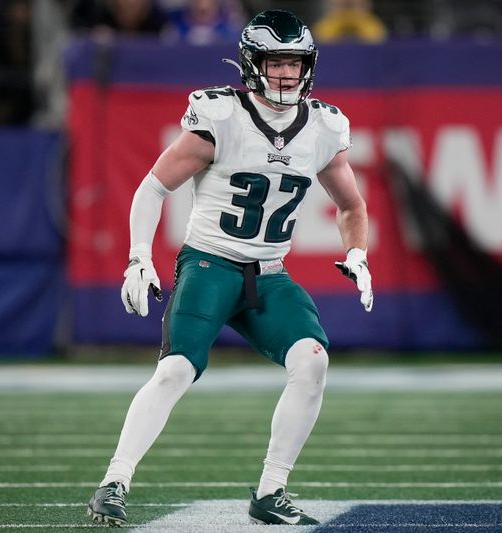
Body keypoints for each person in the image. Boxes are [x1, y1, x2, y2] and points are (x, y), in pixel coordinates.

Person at [86, 9, 372, 527]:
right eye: (276, 62)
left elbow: (351, 204)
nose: (286, 74)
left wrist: (357, 253)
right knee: (175, 369)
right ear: (251, 63)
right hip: (210, 264)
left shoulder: (325, 126)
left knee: (312, 361)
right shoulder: (221, 116)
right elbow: (153, 187)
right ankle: (114, 481)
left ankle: (271, 491)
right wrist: (138, 256)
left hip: (269, 273)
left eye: (295, 63)